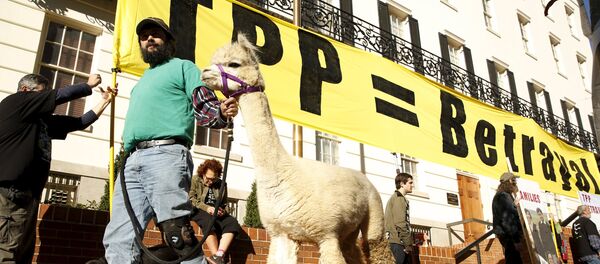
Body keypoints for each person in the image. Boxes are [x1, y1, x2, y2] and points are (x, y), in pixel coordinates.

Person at [101, 17, 238, 263]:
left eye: (155, 34)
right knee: (119, 236)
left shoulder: (183, 67)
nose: (149, 39)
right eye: (144, 37)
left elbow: (203, 103)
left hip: (165, 155)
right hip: (131, 161)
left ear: (168, 41)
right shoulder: (141, 83)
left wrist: (219, 113)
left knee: (177, 233)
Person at [0, 73, 115, 262]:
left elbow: (80, 122)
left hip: (28, 196)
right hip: (9, 191)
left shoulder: (42, 122)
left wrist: (104, 101)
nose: (45, 101)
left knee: (22, 252)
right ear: (25, 91)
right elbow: (59, 95)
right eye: (41, 94)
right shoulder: (15, 103)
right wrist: (88, 86)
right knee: (6, 251)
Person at [189, 159, 242, 264]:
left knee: (232, 222)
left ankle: (219, 255)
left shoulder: (222, 184)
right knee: (208, 221)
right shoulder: (195, 179)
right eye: (208, 178)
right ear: (203, 173)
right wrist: (207, 208)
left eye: (214, 179)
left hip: (216, 211)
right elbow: (192, 199)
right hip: (200, 209)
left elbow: (225, 203)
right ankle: (216, 259)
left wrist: (223, 211)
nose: (211, 181)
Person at [492, 172, 523, 264]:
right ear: (509, 181)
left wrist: (514, 205)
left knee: (514, 259)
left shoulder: (502, 196)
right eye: (514, 181)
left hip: (507, 234)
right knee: (514, 260)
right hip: (509, 236)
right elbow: (508, 219)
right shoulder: (503, 196)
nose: (515, 183)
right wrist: (516, 240)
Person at [384, 172, 414, 264]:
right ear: (401, 184)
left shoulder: (397, 198)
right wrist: (407, 244)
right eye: (410, 183)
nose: (412, 185)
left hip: (396, 242)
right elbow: (400, 223)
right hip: (398, 243)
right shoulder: (399, 198)